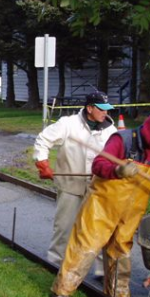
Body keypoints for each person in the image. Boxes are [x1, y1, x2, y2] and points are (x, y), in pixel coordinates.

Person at [50, 106, 150, 297]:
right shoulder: (122, 140)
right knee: (86, 248)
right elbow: (98, 165)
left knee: (121, 253)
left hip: (130, 212)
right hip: (102, 206)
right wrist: (118, 170)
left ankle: (117, 296)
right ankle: (61, 292)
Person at [33, 91, 117, 278]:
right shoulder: (68, 124)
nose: (105, 113)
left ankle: (102, 270)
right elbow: (43, 139)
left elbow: (118, 156)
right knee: (64, 226)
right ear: (89, 108)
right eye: (101, 109)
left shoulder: (111, 131)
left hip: (98, 187)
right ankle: (56, 263)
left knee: (98, 229)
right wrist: (42, 162)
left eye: (107, 109)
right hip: (70, 186)